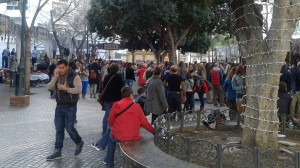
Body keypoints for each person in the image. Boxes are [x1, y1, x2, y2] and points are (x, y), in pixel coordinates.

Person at [102, 86, 155, 166]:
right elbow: (145, 123)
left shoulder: (116, 105)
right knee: (111, 131)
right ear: (131, 95)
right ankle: (101, 146)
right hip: (133, 135)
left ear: (122, 95)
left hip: (119, 135)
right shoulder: (137, 107)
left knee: (111, 136)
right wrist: (154, 131)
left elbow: (110, 121)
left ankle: (109, 161)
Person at [46, 59, 84, 161]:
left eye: (62, 67)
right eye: (59, 67)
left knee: (69, 128)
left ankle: (79, 142)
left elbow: (79, 89)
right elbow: (49, 87)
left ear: (67, 67)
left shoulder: (74, 76)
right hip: (59, 106)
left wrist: (66, 89)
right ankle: (57, 151)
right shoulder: (57, 75)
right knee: (59, 129)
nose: (60, 69)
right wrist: (55, 77)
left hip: (70, 106)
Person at [91, 63, 124, 151]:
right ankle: (112, 132)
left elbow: (103, 86)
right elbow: (122, 88)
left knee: (107, 115)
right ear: (117, 69)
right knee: (115, 117)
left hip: (107, 99)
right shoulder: (118, 77)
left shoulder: (106, 76)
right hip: (116, 99)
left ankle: (104, 131)